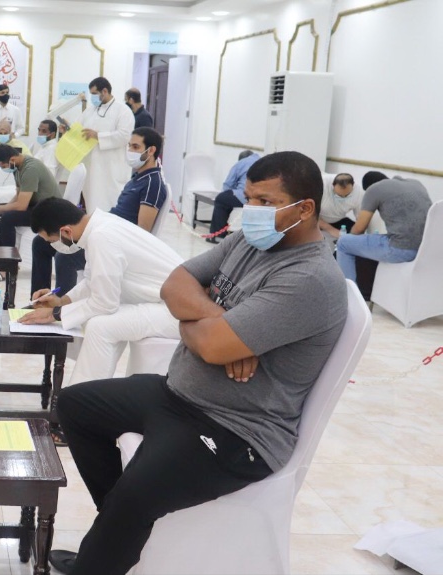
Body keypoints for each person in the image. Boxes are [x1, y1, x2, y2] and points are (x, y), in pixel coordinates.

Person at [48, 151, 348, 575]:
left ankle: (108, 546)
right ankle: (119, 530)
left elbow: (210, 345)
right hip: (178, 395)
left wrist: (204, 326)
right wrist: (219, 322)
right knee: (75, 406)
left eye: (266, 201)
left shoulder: (310, 278)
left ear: (304, 209)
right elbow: (174, 284)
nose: (252, 210)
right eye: (249, 199)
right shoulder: (248, 241)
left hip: (237, 429)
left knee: (134, 494)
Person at [18, 198, 182, 382]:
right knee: (96, 320)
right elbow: (92, 281)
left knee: (100, 326)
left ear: (66, 231)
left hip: (177, 312)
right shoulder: (100, 227)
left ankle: (82, 396)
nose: (53, 245)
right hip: (167, 304)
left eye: (53, 241)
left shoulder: (102, 236)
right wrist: (61, 302)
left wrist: (54, 314)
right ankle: (86, 392)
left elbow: (105, 304)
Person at [30, 128, 168, 298]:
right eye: (129, 146)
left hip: (114, 241)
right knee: (41, 243)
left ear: (151, 150)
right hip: (108, 226)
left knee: (65, 257)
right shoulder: (137, 178)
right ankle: (38, 299)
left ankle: (60, 305)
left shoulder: (153, 184)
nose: (130, 151)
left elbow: (142, 232)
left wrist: (99, 234)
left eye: (135, 147)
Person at [47, 77, 135, 212]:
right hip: (90, 166)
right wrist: (68, 129)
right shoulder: (90, 111)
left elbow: (124, 136)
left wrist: (98, 136)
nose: (92, 97)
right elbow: (79, 131)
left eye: (94, 93)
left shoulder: (123, 111)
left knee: (110, 203)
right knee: (92, 203)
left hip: (111, 168)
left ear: (104, 91)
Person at [0, 144, 60, 283]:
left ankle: (7, 266)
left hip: (48, 212)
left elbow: (21, 205)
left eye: (3, 166)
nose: (4, 169)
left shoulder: (30, 169)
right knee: (0, 213)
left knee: (8, 218)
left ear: (12, 159)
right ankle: (0, 259)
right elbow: (18, 197)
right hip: (35, 206)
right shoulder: (17, 168)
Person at [335, 171, 432, 283]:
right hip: (426, 248)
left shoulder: (373, 189)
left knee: (343, 243)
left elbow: (359, 229)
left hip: (402, 250)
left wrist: (352, 240)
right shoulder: (416, 184)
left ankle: (348, 291)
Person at [208, 150, 261, 242]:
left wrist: (228, 193)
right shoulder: (262, 162)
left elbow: (228, 184)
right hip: (260, 199)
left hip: (245, 196)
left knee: (221, 199)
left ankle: (218, 236)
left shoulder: (241, 163)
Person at [318, 173, 361, 239]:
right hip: (318, 219)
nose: (343, 197)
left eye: (347, 195)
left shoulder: (359, 192)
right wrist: (330, 229)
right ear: (333, 185)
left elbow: (360, 219)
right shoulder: (321, 183)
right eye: (339, 195)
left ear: (353, 185)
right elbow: (309, 213)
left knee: (356, 234)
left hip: (338, 219)